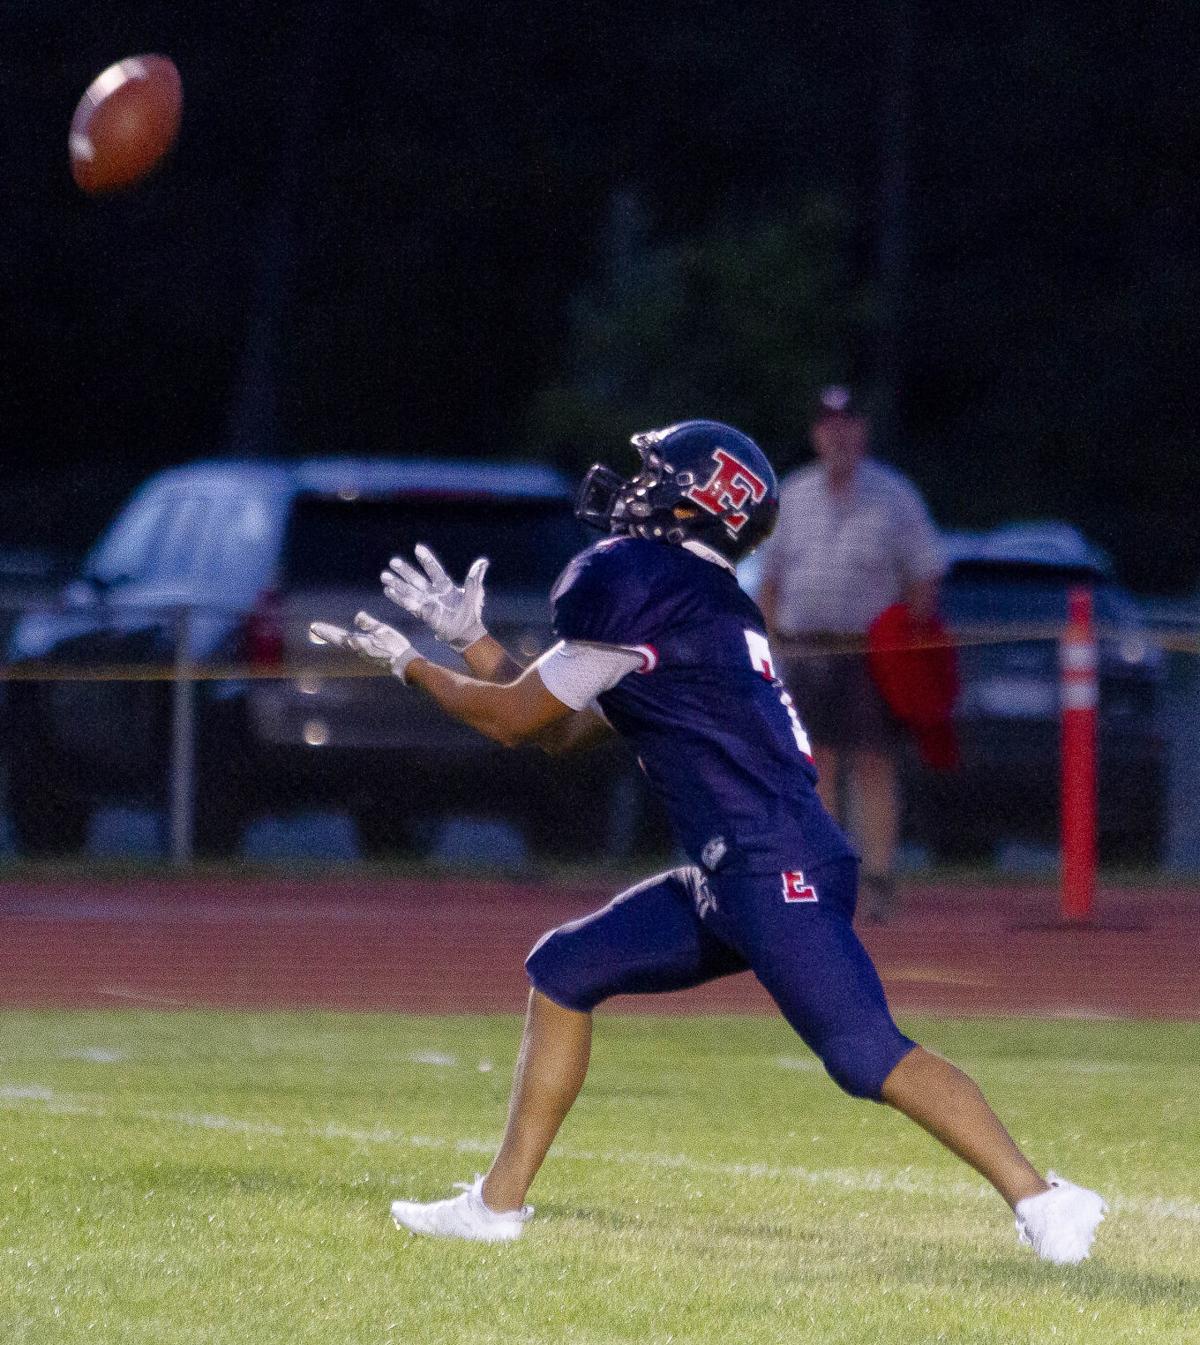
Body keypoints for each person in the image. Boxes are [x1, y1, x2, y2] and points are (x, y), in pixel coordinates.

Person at [310, 419, 1105, 1263]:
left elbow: (514, 721)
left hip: (774, 864)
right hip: (737, 867)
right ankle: (496, 1206)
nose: (632, 486)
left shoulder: (650, 587)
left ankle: (1045, 1200)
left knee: (864, 1053)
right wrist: (470, 640)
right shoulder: (693, 600)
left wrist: (412, 663)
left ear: (693, 501)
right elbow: (561, 727)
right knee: (565, 968)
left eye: (653, 474)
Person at [757, 386, 946, 921]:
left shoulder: (894, 494)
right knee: (815, 764)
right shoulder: (792, 493)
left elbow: (924, 576)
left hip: (869, 651)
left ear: (861, 431)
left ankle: (880, 878)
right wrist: (769, 643)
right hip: (805, 646)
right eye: (827, 425)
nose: (838, 434)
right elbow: (769, 577)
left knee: (873, 762)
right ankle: (824, 872)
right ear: (816, 434)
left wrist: (907, 640)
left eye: (848, 423)